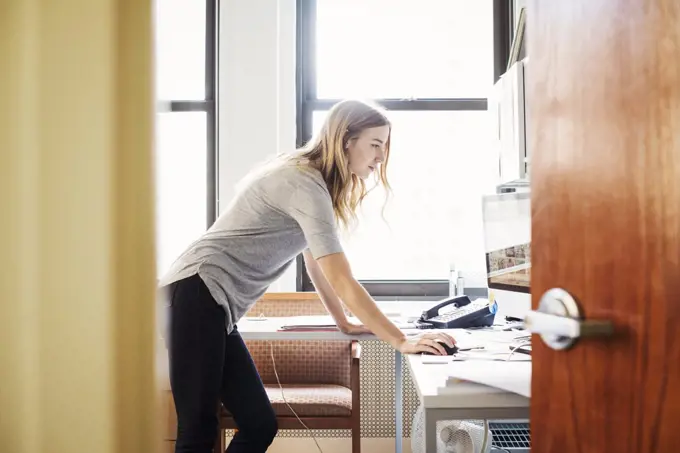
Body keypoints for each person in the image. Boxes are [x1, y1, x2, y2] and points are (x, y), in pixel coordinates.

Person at [159, 99, 457, 453]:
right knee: (197, 429)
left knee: (258, 424)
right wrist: (400, 340)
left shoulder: (314, 186)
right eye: (375, 144)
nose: (381, 156)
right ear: (346, 139)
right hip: (195, 294)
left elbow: (315, 264)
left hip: (212, 306)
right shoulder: (304, 183)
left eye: (385, 146)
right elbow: (342, 278)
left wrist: (343, 322)